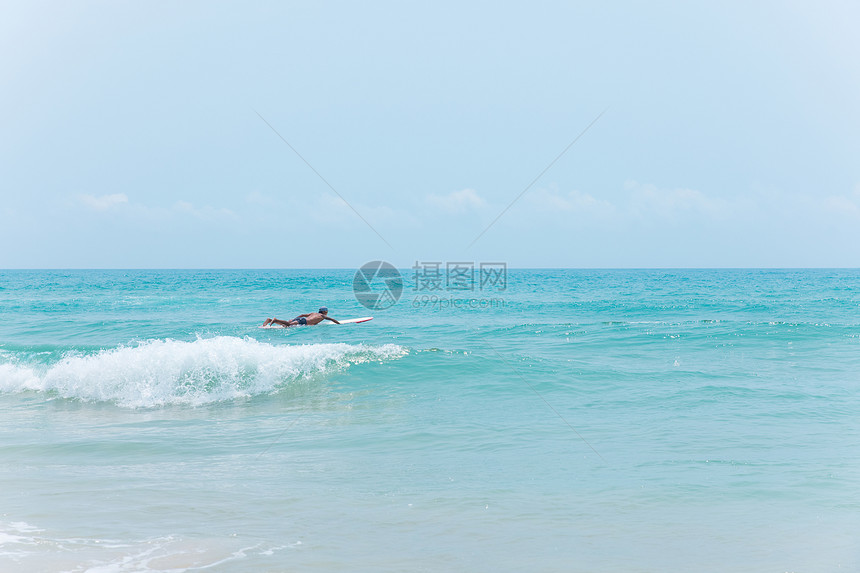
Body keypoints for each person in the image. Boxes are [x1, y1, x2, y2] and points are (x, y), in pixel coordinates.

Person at [262, 307, 340, 327]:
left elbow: (302, 315)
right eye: (326, 311)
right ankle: (275, 320)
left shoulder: (313, 313)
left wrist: (295, 319)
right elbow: (332, 319)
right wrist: (339, 324)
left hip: (301, 319)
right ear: (324, 312)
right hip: (304, 321)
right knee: (289, 325)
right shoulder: (322, 316)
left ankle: (270, 320)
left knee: (285, 325)